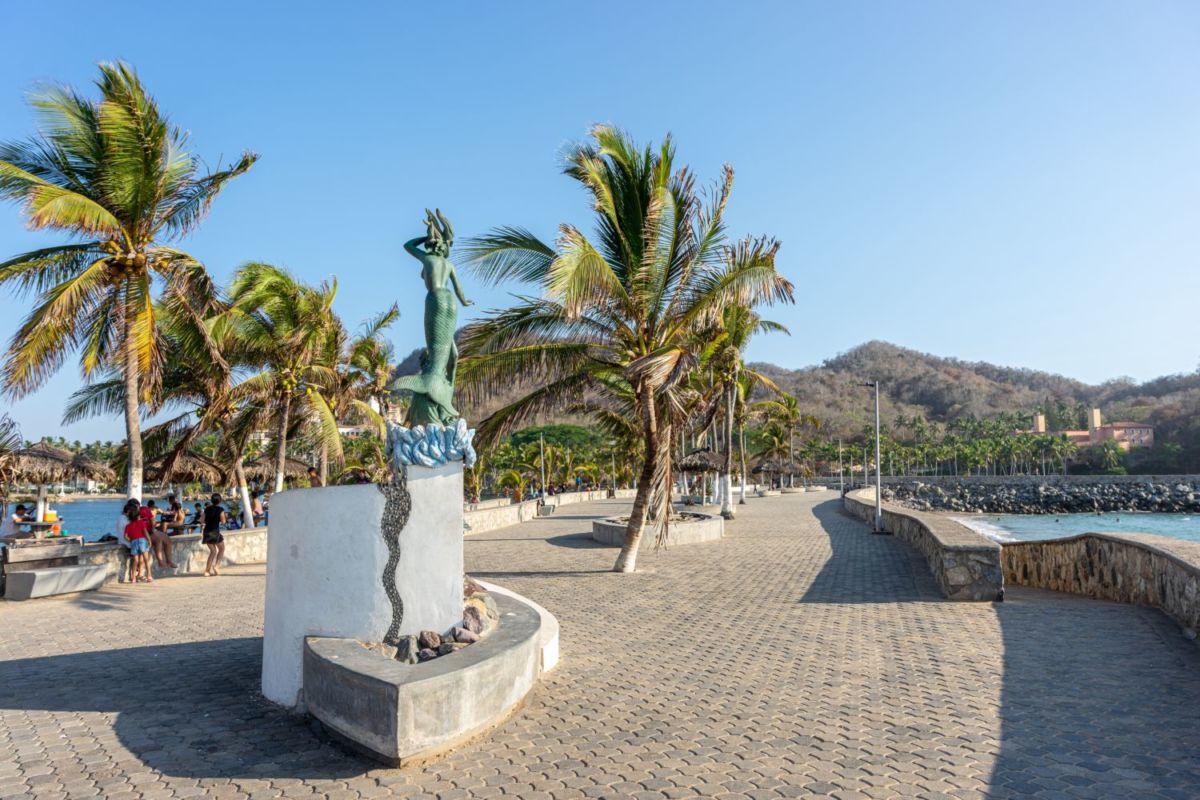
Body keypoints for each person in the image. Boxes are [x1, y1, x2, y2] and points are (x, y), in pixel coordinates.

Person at [142, 500, 176, 569]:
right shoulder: (146, 510)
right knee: (158, 540)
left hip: (152, 529)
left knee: (167, 539)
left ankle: (169, 561)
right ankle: (160, 562)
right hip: (148, 531)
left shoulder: (154, 509)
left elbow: (162, 513)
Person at [124, 503, 152, 584]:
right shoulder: (141, 522)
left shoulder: (128, 526)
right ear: (137, 516)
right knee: (146, 559)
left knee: (135, 561)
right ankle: (149, 576)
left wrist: (131, 540)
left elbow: (125, 536)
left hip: (134, 542)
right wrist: (149, 540)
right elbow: (146, 532)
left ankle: (133, 578)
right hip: (142, 541)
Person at [203, 493, 226, 577]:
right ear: (219, 501)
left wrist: (208, 520)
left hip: (206, 531)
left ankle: (207, 571)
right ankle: (216, 566)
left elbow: (202, 520)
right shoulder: (220, 509)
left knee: (212, 551)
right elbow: (223, 521)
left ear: (211, 500)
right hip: (215, 531)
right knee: (222, 549)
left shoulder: (207, 509)